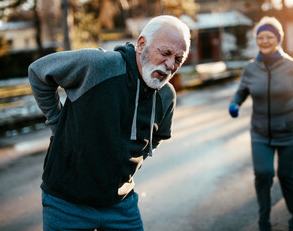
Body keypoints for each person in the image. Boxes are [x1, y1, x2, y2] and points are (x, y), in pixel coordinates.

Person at [28, 15, 190, 231]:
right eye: (166, 53)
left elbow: (158, 137)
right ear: (142, 45)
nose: (171, 65)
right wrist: (58, 122)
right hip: (66, 203)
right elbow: (38, 72)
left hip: (120, 204)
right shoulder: (99, 65)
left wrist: (129, 161)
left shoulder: (166, 96)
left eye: (179, 59)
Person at [228, 16, 293, 231]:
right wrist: (234, 104)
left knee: (286, 175)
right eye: (260, 37)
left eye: (269, 36)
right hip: (260, 131)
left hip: (290, 129)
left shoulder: (292, 66)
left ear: (278, 39)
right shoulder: (250, 69)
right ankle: (264, 221)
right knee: (263, 174)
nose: (264, 41)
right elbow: (241, 93)